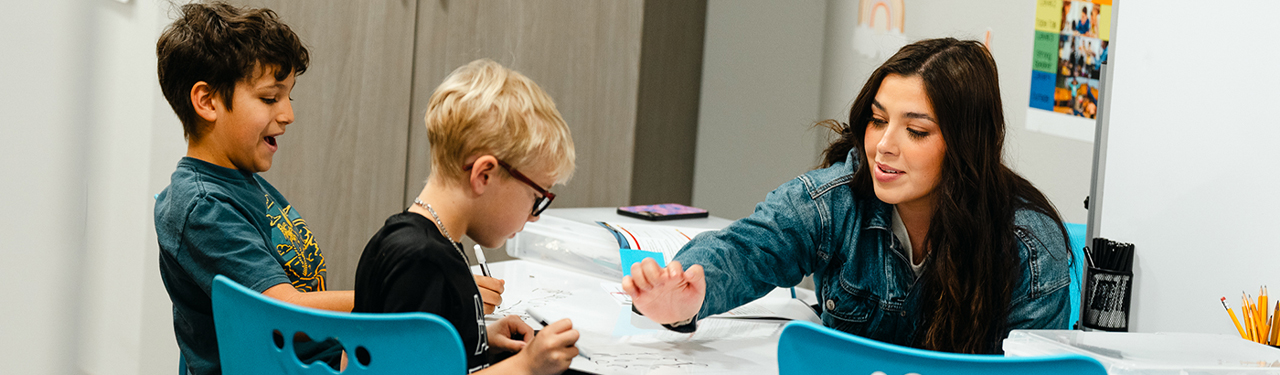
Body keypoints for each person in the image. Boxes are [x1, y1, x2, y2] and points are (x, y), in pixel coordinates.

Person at [623, 38, 1072, 354]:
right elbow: (748, 247)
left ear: (966, 144)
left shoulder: (1027, 245)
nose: (884, 146)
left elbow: (1039, 366)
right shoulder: (834, 201)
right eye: (878, 121)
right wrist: (684, 301)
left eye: (916, 131)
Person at [152, 4, 504, 374]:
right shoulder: (202, 206)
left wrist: (469, 331)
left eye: (289, 97)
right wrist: (424, 299)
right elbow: (283, 312)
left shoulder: (240, 181)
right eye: (270, 98)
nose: (288, 114)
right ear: (206, 101)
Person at [353, 59, 580, 374]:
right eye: (535, 198)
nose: (534, 216)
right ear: (484, 175)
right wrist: (526, 366)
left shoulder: (424, 242)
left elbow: (408, 353)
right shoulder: (420, 260)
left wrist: (478, 337)